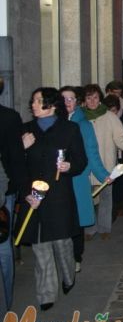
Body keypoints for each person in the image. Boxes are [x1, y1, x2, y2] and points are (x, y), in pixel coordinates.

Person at [18, 88, 87, 310]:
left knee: (62, 243)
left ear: (52, 105)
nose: (34, 105)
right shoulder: (26, 131)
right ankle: (46, 294)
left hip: (59, 196)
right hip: (34, 197)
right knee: (40, 247)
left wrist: (69, 166)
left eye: (39, 101)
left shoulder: (70, 129)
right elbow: (14, 165)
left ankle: (68, 276)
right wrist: (21, 148)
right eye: (33, 101)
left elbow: (80, 161)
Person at [60, 86, 110, 273]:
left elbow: (92, 153)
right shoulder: (56, 122)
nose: (67, 103)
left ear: (78, 102)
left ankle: (76, 256)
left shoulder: (84, 124)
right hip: (58, 179)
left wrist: (103, 175)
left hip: (77, 177)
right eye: (64, 99)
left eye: (71, 99)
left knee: (76, 218)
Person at [82, 84, 123, 240]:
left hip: (105, 163)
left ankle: (104, 227)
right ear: (84, 100)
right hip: (86, 166)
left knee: (106, 197)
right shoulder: (80, 118)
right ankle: (89, 228)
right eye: (88, 98)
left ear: (100, 98)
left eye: (95, 97)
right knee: (88, 197)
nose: (92, 101)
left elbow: (120, 137)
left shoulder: (109, 117)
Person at [0, 77, 28, 312]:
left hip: (3, 189)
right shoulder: (10, 117)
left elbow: (16, 158)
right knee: (3, 244)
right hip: (7, 187)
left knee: (3, 246)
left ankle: (5, 303)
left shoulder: (8, 118)